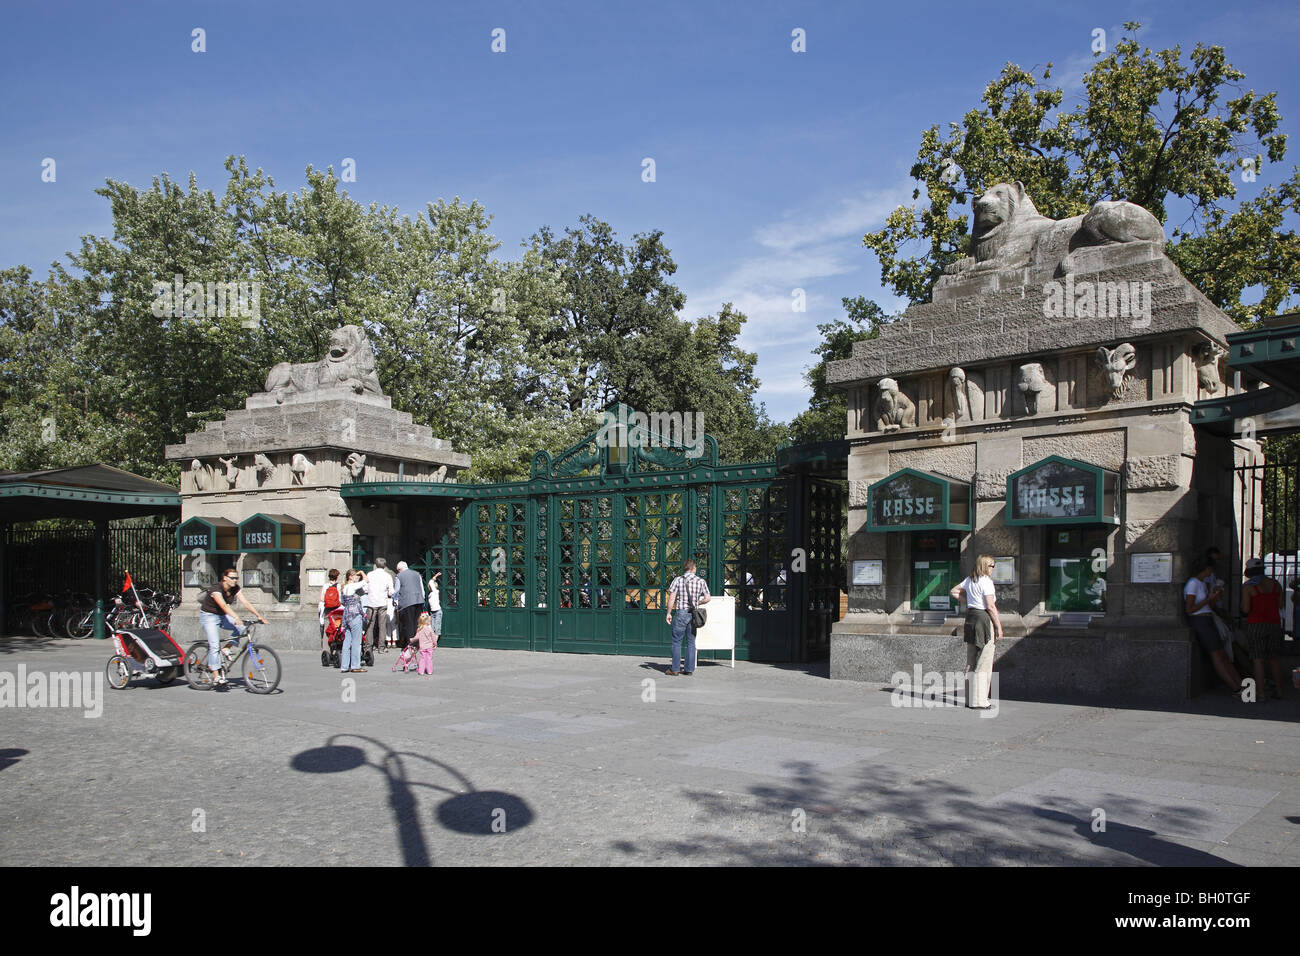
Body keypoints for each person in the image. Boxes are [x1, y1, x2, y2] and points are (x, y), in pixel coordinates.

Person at [199, 568, 267, 690]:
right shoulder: (216, 589)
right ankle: (216, 677)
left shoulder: (235, 588)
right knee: (214, 646)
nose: (235, 580)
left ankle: (226, 648)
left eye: (236, 578)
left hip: (222, 615)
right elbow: (223, 605)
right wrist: (236, 617)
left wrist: (259, 616)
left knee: (242, 627)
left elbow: (246, 603)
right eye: (232, 578)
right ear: (225, 578)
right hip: (209, 616)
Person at [950, 554, 1003, 710]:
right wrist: (999, 627)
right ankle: (980, 700)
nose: (993, 569)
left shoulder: (970, 579)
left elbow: (954, 591)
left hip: (971, 617)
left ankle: (970, 699)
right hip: (983, 618)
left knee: (971, 660)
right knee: (984, 660)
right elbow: (990, 606)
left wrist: (970, 601)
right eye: (992, 566)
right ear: (987, 566)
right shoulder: (986, 582)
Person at [1185, 557, 1242, 694]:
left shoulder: (1201, 583)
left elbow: (1209, 604)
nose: (1211, 572)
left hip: (1207, 618)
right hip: (1200, 620)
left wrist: (1214, 597)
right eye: (1210, 569)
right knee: (1217, 655)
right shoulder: (1193, 583)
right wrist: (1208, 599)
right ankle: (1236, 688)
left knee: (1223, 655)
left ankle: (1241, 685)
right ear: (1206, 569)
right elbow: (1190, 609)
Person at [1241, 558, 1286, 700]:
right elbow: (1280, 605)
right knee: (1274, 658)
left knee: (1258, 659)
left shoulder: (1248, 587)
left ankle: (1261, 693)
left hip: (1256, 624)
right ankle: (1279, 691)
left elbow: (1246, 609)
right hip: (1274, 624)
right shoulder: (1276, 585)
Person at [665, 558, 710, 676]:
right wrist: (697, 603)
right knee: (691, 642)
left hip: (681, 613)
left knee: (677, 641)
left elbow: (671, 598)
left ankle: (675, 669)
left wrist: (668, 613)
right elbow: (707, 598)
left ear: (685, 568)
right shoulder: (701, 581)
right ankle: (689, 669)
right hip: (693, 614)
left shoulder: (678, 580)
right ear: (693, 568)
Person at [364, 557, 396, 651]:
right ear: (385, 565)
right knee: (382, 625)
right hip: (382, 602)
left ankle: (368, 646)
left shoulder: (370, 574)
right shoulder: (387, 576)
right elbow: (391, 592)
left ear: (375, 564)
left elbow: (365, 589)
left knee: (370, 625)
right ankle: (381, 647)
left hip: (371, 602)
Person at [340, 569, 368, 673]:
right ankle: (355, 665)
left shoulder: (344, 588)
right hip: (355, 615)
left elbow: (342, 602)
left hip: (346, 615)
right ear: (350, 577)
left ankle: (344, 666)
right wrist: (361, 572)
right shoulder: (352, 586)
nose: (358, 578)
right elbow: (366, 580)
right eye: (355, 576)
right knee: (357, 641)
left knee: (347, 641)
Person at [395, 560, 424, 651]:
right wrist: (422, 598)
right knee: (417, 623)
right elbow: (422, 588)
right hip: (419, 600)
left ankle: (410, 644)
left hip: (407, 602)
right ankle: (417, 643)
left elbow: (396, 591)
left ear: (400, 569)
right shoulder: (417, 574)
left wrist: (395, 602)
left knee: (409, 624)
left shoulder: (399, 576)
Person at [319, 569, 341, 656]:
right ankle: (335, 648)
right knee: (336, 629)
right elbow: (340, 599)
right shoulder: (338, 586)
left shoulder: (325, 586)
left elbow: (321, 598)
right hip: (336, 610)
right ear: (337, 577)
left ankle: (326, 650)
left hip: (327, 610)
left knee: (326, 630)